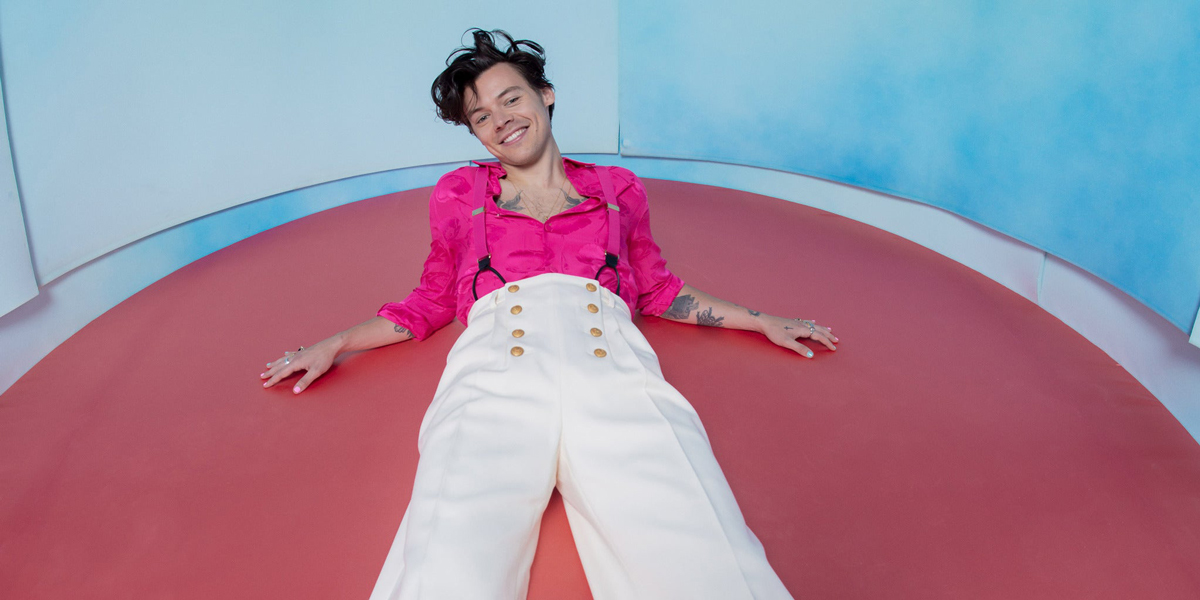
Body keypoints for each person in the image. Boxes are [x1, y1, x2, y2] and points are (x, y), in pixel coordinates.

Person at [261, 29, 837, 600]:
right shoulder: (458, 194)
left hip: (614, 374)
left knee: (701, 552)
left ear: (545, 94)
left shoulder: (618, 189)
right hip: (492, 380)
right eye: (481, 116)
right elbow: (431, 299)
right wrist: (336, 344)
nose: (500, 121)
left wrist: (760, 320)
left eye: (510, 98)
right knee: (447, 561)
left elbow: (658, 289)